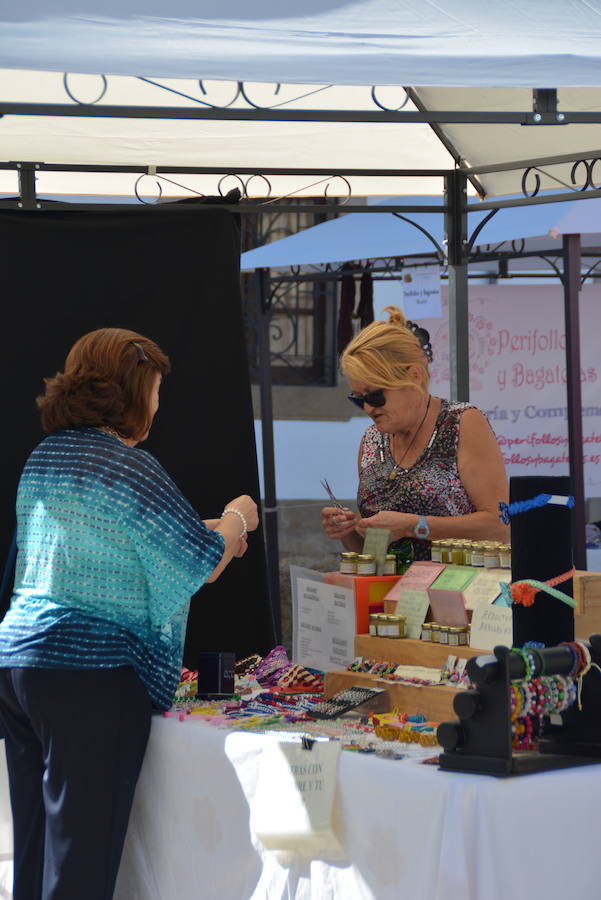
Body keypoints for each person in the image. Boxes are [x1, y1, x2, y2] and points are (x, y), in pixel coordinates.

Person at [0, 327, 259, 900]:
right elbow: (199, 559)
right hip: (88, 674)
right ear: (133, 392)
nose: (159, 405)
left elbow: (136, 543)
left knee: (38, 850)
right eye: (157, 391)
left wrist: (212, 532)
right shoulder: (127, 467)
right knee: (80, 861)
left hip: (19, 666)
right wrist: (239, 516)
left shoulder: (46, 456)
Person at [321, 307, 508, 559]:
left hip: (455, 591)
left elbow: (500, 526)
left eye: (376, 396)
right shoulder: (371, 440)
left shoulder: (461, 423)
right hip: (390, 594)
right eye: (358, 399)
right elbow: (374, 552)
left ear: (415, 376)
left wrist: (413, 526)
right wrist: (348, 531)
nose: (367, 408)